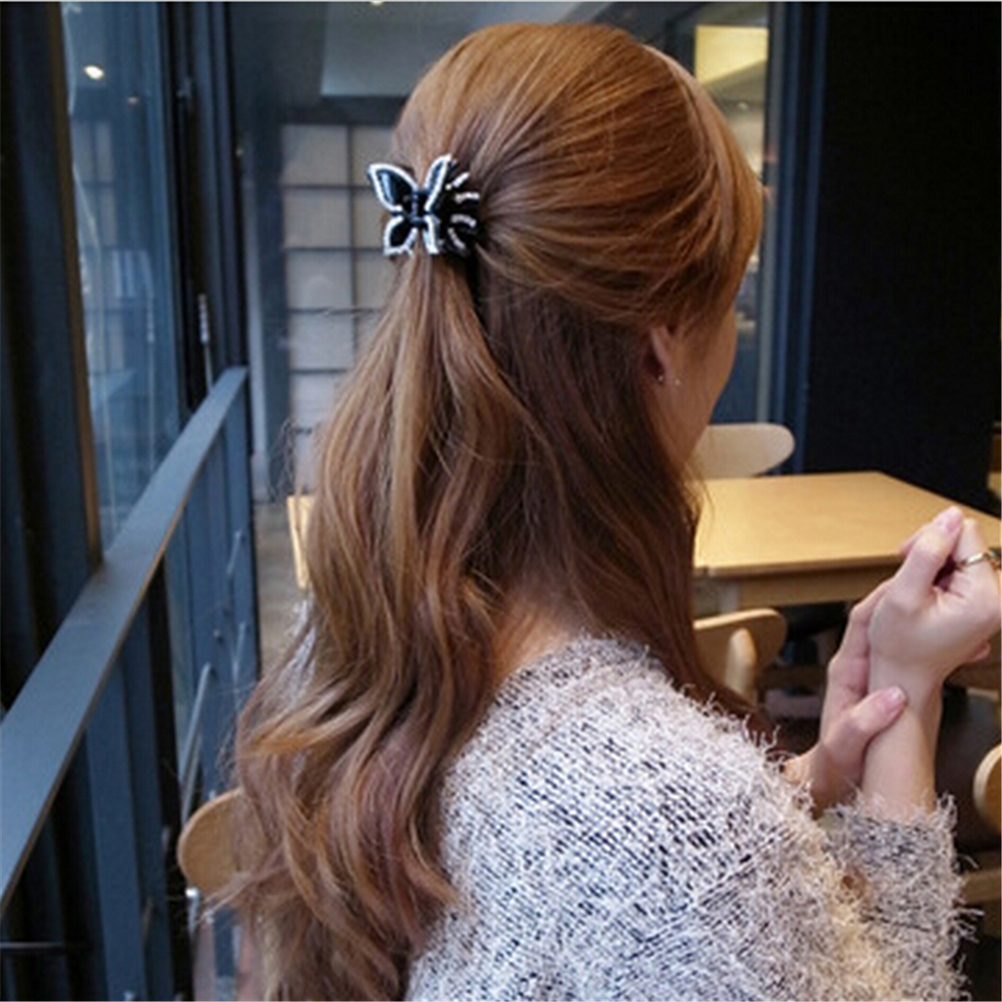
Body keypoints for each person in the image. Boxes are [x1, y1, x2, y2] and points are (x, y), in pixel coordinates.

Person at [231, 22, 1001, 1001]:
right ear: (661, 340)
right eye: (734, 288)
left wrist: (793, 797)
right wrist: (907, 704)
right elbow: (645, 860)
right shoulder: (672, 815)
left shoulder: (361, 625)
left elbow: (572, 889)